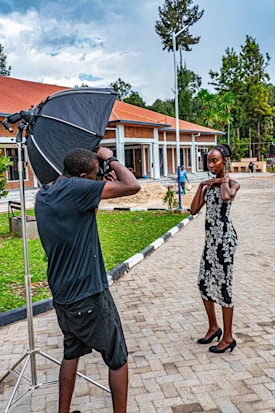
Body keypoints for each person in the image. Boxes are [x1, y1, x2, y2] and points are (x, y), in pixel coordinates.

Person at [35, 147, 141, 413]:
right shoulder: (79, 190)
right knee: (118, 358)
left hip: (62, 295)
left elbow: (83, 211)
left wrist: (97, 185)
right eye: (95, 176)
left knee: (72, 351)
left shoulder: (45, 193)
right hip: (89, 293)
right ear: (82, 176)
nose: (97, 180)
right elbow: (133, 186)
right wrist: (109, 158)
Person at [190, 144, 240, 353]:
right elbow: (193, 210)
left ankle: (228, 337)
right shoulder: (209, 185)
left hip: (225, 241)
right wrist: (202, 185)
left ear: (224, 161)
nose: (210, 165)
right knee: (203, 282)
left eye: (215, 160)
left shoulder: (233, 183)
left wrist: (222, 179)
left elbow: (227, 195)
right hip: (210, 242)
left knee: (223, 286)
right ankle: (213, 327)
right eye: (209, 161)